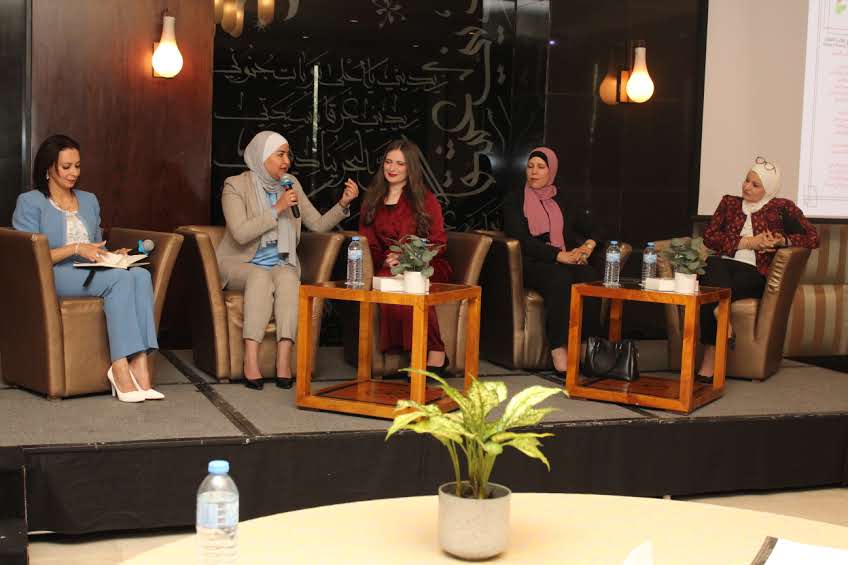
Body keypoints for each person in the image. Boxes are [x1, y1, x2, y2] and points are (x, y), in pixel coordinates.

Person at [13, 134, 161, 403]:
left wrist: (111, 255)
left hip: (90, 270)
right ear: (48, 168)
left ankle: (140, 365)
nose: (74, 173)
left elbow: (95, 245)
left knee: (140, 274)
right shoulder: (31, 201)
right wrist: (76, 248)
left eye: (78, 166)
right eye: (66, 167)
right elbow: (28, 255)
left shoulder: (89, 199)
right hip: (52, 274)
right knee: (120, 280)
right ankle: (119, 368)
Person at [217, 131, 358, 390]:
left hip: (282, 262)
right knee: (260, 275)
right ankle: (251, 360)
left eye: (288, 155)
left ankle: (284, 360)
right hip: (241, 263)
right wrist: (277, 209)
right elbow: (240, 233)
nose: (287, 161)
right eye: (280, 154)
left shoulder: (290, 183)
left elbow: (317, 224)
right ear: (261, 156)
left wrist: (343, 204)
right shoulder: (235, 186)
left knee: (289, 278)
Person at [697, 156, 819, 381]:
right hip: (721, 267)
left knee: (711, 293)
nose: (747, 187)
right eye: (746, 180)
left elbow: (812, 237)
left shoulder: (782, 208)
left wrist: (782, 240)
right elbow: (709, 237)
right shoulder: (729, 203)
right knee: (712, 270)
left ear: (769, 189)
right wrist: (748, 242)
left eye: (755, 184)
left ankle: (709, 362)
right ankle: (721, 312)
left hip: (754, 273)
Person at [503, 146, 602, 375]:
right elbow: (521, 239)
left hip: (563, 259)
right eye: (530, 167)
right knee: (560, 277)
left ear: (552, 171)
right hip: (530, 263)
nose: (534, 172)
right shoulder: (514, 200)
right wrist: (558, 255)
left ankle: (586, 346)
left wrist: (588, 246)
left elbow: (596, 227)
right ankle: (559, 348)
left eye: (541, 167)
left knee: (589, 276)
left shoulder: (562, 199)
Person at [358, 139, 452, 375]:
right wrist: (387, 259)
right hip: (388, 265)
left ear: (411, 168)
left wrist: (409, 258)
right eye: (389, 162)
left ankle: (434, 353)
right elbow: (368, 242)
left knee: (412, 280)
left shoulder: (425, 199)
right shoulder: (372, 199)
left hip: (427, 263)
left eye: (400, 164)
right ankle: (415, 355)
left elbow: (438, 241)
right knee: (389, 276)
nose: (392, 168)